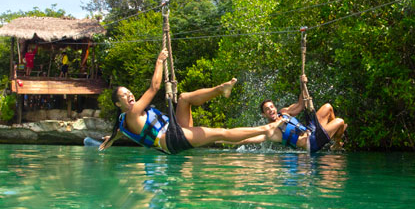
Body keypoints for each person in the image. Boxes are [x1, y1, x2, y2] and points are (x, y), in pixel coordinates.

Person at [99, 49, 280, 154]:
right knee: (221, 132)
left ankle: (221, 89)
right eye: (124, 95)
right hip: (171, 140)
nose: (130, 95)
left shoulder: (123, 123)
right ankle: (265, 129)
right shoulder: (132, 112)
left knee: (184, 98)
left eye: (130, 92)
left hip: (174, 130)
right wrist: (160, 62)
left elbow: (120, 132)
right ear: (118, 104)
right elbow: (154, 88)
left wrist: (111, 139)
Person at [239, 75, 346, 153]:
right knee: (340, 122)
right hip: (312, 143)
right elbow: (254, 137)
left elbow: (301, 104)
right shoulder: (271, 130)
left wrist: (303, 85)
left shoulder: (284, 112)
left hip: (311, 129)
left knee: (328, 107)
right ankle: (332, 138)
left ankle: (335, 142)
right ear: (264, 115)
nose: (271, 110)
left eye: (272, 107)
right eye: (267, 109)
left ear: (275, 108)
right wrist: (235, 140)